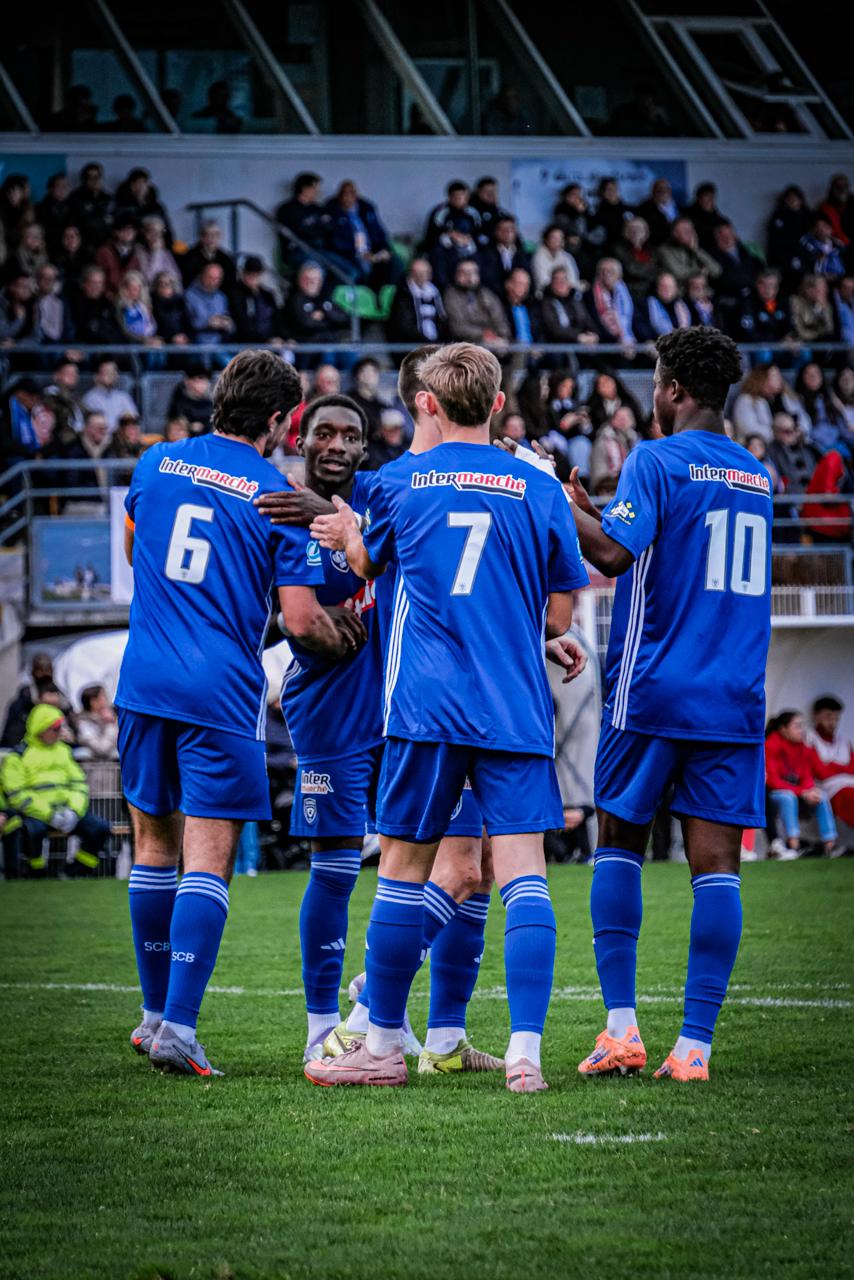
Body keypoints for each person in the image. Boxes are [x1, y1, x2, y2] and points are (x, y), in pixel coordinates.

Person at [303, 342, 589, 1091]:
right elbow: (558, 608)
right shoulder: (539, 485)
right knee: (523, 876)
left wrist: (348, 537)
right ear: (497, 405)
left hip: (426, 706)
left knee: (401, 871)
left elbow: (366, 568)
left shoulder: (400, 481)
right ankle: (526, 1056)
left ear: (426, 403)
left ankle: (381, 1048)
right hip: (514, 704)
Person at [257, 352, 528, 1073]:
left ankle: (442, 1035)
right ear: (299, 437)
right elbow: (303, 620)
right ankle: (327, 1023)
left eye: (349, 433)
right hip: (336, 711)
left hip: (421, 709)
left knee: (468, 868)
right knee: (340, 866)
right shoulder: (287, 512)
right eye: (324, 433)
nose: (337, 444)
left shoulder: (393, 491)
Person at [115, 350, 358, 1077]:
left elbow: (136, 548)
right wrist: (347, 642)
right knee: (208, 860)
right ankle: (180, 1029)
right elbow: (303, 621)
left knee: (153, 848)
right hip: (216, 689)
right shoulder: (276, 497)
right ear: (284, 423)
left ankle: (153, 1016)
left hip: (142, 677)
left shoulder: (156, 463)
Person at [568, 326, 771, 1083]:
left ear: (675, 390)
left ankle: (621, 1031)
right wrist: (599, 511)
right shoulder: (758, 473)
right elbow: (654, 540)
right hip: (733, 696)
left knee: (618, 842)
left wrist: (565, 508)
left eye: (656, 383)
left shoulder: (656, 458)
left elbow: (613, 555)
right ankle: (695, 1048)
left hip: (653, 688)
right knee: (716, 868)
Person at [0, 705, 110, 875]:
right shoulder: (18, 756)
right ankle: (36, 872)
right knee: (32, 831)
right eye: (55, 728)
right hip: (36, 813)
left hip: (67, 810)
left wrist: (73, 810)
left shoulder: (64, 751)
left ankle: (76, 870)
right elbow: (17, 794)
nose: (60, 732)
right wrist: (49, 814)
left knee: (100, 828)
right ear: (41, 728)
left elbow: (79, 784)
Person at [765, 711, 839, 858]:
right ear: (783, 730)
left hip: (797, 792)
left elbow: (807, 776)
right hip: (773, 795)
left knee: (821, 796)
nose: (801, 730)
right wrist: (802, 792)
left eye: (802, 726)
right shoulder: (771, 745)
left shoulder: (803, 747)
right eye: (797, 726)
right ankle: (794, 846)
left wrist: (809, 790)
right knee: (788, 797)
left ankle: (830, 845)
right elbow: (772, 781)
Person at [323, 180, 395, 289]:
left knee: (394, 263)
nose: (348, 197)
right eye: (344, 193)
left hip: (372, 251)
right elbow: (335, 242)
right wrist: (359, 253)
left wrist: (385, 249)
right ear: (339, 196)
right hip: (351, 254)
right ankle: (367, 296)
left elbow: (379, 232)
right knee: (363, 267)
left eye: (351, 193)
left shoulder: (366, 209)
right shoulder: (332, 212)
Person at [807, 696, 854, 836]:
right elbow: (820, 772)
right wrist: (842, 768)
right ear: (816, 716)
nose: (832, 723)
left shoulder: (844, 741)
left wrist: (831, 765)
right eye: (827, 717)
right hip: (830, 789)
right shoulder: (810, 738)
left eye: (836, 718)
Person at [443, 259, 510, 349]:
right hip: (466, 341)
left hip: (494, 338)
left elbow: (500, 319)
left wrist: (501, 335)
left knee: (519, 348)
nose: (469, 277)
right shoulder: (451, 295)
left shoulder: (487, 293)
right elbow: (458, 327)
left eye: (473, 272)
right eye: (465, 273)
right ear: (457, 275)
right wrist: (482, 334)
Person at [1, 652, 61, 748]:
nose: (44, 674)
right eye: (40, 670)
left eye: (47, 670)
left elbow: (66, 709)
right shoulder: (26, 692)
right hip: (24, 739)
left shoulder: (56, 689)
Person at [283, 262, 350, 347]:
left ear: (321, 281)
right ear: (299, 280)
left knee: (347, 352)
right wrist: (329, 319)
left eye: (315, 279)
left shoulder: (326, 297)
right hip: (306, 344)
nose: (311, 282)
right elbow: (305, 323)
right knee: (327, 353)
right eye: (307, 279)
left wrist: (324, 314)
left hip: (331, 340)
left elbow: (343, 318)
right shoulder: (294, 299)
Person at [386, 258, 448, 345]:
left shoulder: (436, 292)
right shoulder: (403, 294)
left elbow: (443, 319)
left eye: (426, 272)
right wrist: (427, 342)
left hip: (435, 342)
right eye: (417, 273)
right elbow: (405, 326)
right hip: (410, 343)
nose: (422, 276)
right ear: (411, 274)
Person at [275, 173, 328, 268]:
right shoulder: (287, 209)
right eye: (315, 188)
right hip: (297, 251)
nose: (318, 192)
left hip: (320, 250)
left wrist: (313, 229)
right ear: (305, 189)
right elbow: (297, 232)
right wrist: (315, 229)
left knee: (349, 270)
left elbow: (329, 228)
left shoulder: (316, 208)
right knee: (318, 269)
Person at [230, 256, 283, 344]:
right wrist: (266, 340)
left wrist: (280, 337)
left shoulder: (268, 295)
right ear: (243, 273)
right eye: (250, 273)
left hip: (271, 342)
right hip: (248, 344)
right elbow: (242, 324)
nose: (254, 276)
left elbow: (277, 319)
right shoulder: (236, 295)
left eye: (257, 273)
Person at [82, 359, 139, 438]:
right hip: (100, 441)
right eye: (107, 371)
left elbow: (133, 418)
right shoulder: (89, 399)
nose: (112, 374)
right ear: (97, 376)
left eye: (114, 371)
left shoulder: (123, 397)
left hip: (122, 441)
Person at [587, 258, 636, 347]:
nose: (606, 274)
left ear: (619, 275)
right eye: (603, 271)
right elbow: (593, 320)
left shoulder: (628, 293)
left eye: (611, 271)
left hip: (628, 341)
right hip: (603, 342)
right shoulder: (590, 295)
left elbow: (633, 319)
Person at [71, 266, 125, 346]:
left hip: (107, 349)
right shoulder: (75, 303)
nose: (97, 286)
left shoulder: (108, 303)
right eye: (93, 282)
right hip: (83, 347)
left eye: (100, 283)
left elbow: (117, 332)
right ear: (84, 284)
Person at [184, 263, 235, 346]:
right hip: (196, 344)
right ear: (202, 275)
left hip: (219, 343)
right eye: (210, 277)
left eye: (217, 279)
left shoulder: (221, 297)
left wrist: (227, 323)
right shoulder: (189, 295)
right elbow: (187, 323)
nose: (213, 282)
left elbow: (229, 321)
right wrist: (208, 323)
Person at [477, 216, 530, 296]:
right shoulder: (486, 254)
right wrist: (506, 288)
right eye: (503, 229)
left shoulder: (522, 253)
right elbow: (487, 280)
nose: (508, 232)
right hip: (495, 297)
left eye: (511, 229)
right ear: (495, 232)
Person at [423, 182, 481, 251]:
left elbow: (478, 230)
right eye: (456, 197)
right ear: (450, 197)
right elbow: (433, 235)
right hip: (446, 247)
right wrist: (452, 234)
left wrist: (468, 237)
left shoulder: (473, 212)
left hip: (468, 244)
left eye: (462, 197)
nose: (460, 200)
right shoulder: (440, 212)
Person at [180, 223, 237, 293]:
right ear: (201, 237)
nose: (211, 238)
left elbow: (231, 284)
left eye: (215, 235)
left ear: (220, 237)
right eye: (207, 235)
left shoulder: (226, 259)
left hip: (220, 298)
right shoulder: (189, 257)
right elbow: (186, 282)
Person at [68, 162, 113, 247]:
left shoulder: (109, 199)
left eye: (97, 177)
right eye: (90, 178)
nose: (94, 181)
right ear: (84, 180)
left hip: (106, 244)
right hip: (83, 245)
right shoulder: (75, 198)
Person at [129, 217, 181, 289]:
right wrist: (156, 252)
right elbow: (149, 278)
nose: (156, 236)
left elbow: (177, 278)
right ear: (144, 232)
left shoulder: (165, 251)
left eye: (159, 232)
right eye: (152, 231)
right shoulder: (138, 251)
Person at [614, 217, 656, 302]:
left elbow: (657, 271)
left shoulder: (652, 250)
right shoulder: (619, 249)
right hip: (630, 293)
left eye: (640, 229)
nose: (636, 232)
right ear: (625, 232)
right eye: (632, 229)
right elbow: (632, 270)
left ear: (646, 233)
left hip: (650, 293)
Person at [530, 225, 579, 296]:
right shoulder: (537, 257)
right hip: (545, 296)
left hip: (567, 294)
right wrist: (561, 287)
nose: (557, 241)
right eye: (554, 237)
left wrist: (566, 288)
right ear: (546, 239)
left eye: (560, 238)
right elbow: (543, 282)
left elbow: (574, 280)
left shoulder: (567, 257)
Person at [347, 357, 388, 440]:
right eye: (364, 371)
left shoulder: (382, 406)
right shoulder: (349, 401)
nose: (369, 375)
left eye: (373, 371)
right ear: (357, 376)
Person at [75, 685, 119, 760]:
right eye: (103, 697)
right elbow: (102, 749)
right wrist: (110, 724)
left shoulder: (114, 716)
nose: (107, 700)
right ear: (93, 702)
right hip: (93, 767)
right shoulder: (83, 722)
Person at [167, 365, 214, 434]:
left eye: (203, 381)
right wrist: (188, 427)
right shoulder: (180, 401)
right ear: (187, 382)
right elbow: (175, 424)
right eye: (196, 381)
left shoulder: (213, 401)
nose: (200, 385)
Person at [685, 182, 730, 254]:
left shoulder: (721, 221)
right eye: (705, 196)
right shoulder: (687, 217)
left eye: (711, 197)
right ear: (699, 198)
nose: (708, 200)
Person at [635, 178, 680, 248]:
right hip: (657, 246)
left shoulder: (678, 206)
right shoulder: (644, 208)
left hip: (678, 245)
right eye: (659, 190)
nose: (664, 192)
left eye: (666, 189)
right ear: (653, 191)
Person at [790, 275, 835, 345]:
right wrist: (818, 334)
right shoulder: (796, 302)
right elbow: (800, 331)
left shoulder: (825, 305)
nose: (826, 290)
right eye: (822, 288)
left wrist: (822, 309)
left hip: (819, 342)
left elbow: (829, 329)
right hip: (800, 342)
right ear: (809, 290)